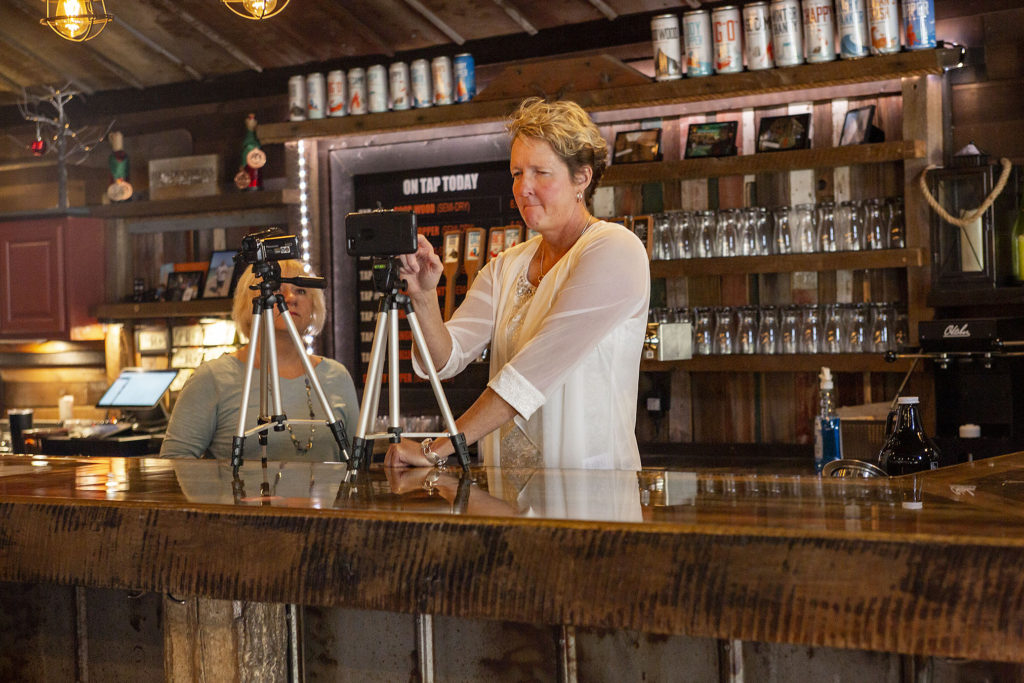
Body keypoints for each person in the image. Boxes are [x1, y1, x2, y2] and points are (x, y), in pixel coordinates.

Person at [385, 97, 650, 471]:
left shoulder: (614, 249)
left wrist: (439, 448)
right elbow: (443, 361)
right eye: (516, 173)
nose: (523, 188)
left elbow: (533, 372)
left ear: (582, 177)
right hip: (507, 488)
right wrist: (425, 296)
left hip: (590, 485)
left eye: (540, 172)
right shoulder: (506, 265)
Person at [161, 259, 359, 462]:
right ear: (250, 303)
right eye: (277, 289)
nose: (290, 298)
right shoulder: (213, 378)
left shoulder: (337, 376)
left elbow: (359, 463)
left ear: (314, 306)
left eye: (300, 291)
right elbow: (174, 462)